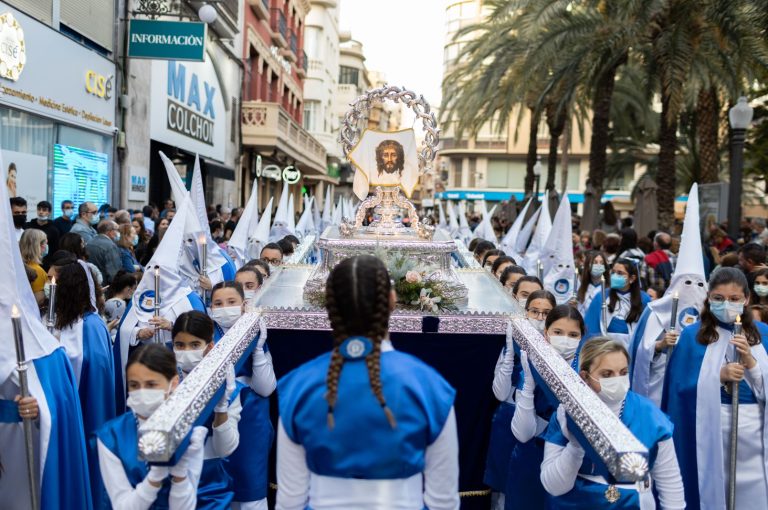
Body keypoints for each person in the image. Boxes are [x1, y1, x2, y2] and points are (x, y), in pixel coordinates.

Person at [276, 256, 459, 509]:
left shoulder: (298, 386)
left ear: (329, 306)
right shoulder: (429, 386)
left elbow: (290, 502)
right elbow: (443, 502)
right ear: (392, 300)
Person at [663, 267, 768, 509]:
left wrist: (751, 363)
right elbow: (678, 389)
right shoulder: (692, 335)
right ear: (709, 298)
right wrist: (718, 376)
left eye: (734, 298)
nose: (726, 304)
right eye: (719, 298)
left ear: (746, 299)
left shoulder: (763, 334)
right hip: (710, 430)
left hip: (755, 435)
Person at [542, 338, 685, 508]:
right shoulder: (566, 413)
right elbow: (554, 487)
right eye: (607, 374)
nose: (618, 379)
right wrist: (575, 446)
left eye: (623, 372)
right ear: (585, 377)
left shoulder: (650, 416)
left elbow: (670, 483)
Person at [94, 344, 207, 509]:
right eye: (134, 385)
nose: (141, 392)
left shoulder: (187, 429)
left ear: (174, 383)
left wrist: (180, 474)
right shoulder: (111, 436)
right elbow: (122, 506)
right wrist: (154, 478)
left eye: (151, 384)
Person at [507, 305, 585, 509]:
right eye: (558, 332)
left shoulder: (586, 371)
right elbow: (522, 433)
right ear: (546, 332)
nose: (565, 339)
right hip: (531, 453)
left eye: (573, 335)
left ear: (581, 337)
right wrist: (529, 385)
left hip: (569, 460)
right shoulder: (533, 364)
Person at [207, 284, 277, 509]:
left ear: (243, 304)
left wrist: (258, 349)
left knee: (250, 488)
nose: (224, 308)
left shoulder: (253, 331)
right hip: (214, 417)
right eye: (218, 303)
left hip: (250, 417)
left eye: (231, 302)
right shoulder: (205, 334)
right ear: (210, 308)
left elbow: (266, 388)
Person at [172, 311, 242, 508]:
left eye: (195, 345)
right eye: (180, 345)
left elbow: (224, 449)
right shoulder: (163, 383)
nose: (186, 351)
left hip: (211, 484)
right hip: (170, 481)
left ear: (209, 347)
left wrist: (221, 406)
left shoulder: (229, 389)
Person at [584, 258, 650, 348]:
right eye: (613, 272)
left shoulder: (644, 299)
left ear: (632, 278)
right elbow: (591, 326)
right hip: (604, 349)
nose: (615, 276)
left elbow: (647, 332)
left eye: (620, 273)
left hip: (632, 350)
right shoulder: (601, 296)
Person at [25, 200, 60, 265]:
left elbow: (55, 249)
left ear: (49, 212)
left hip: (46, 263)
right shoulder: (28, 226)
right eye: (39, 209)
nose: (41, 212)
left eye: (44, 210)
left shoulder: (54, 230)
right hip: (29, 260)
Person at [19, 229, 48, 305]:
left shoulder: (18, 264)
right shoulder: (37, 271)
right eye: (46, 243)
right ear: (40, 246)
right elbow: (38, 300)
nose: (46, 246)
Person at [576, 251, 607, 316]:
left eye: (602, 263)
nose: (599, 265)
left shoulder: (608, 289)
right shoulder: (581, 287)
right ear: (588, 266)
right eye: (595, 262)